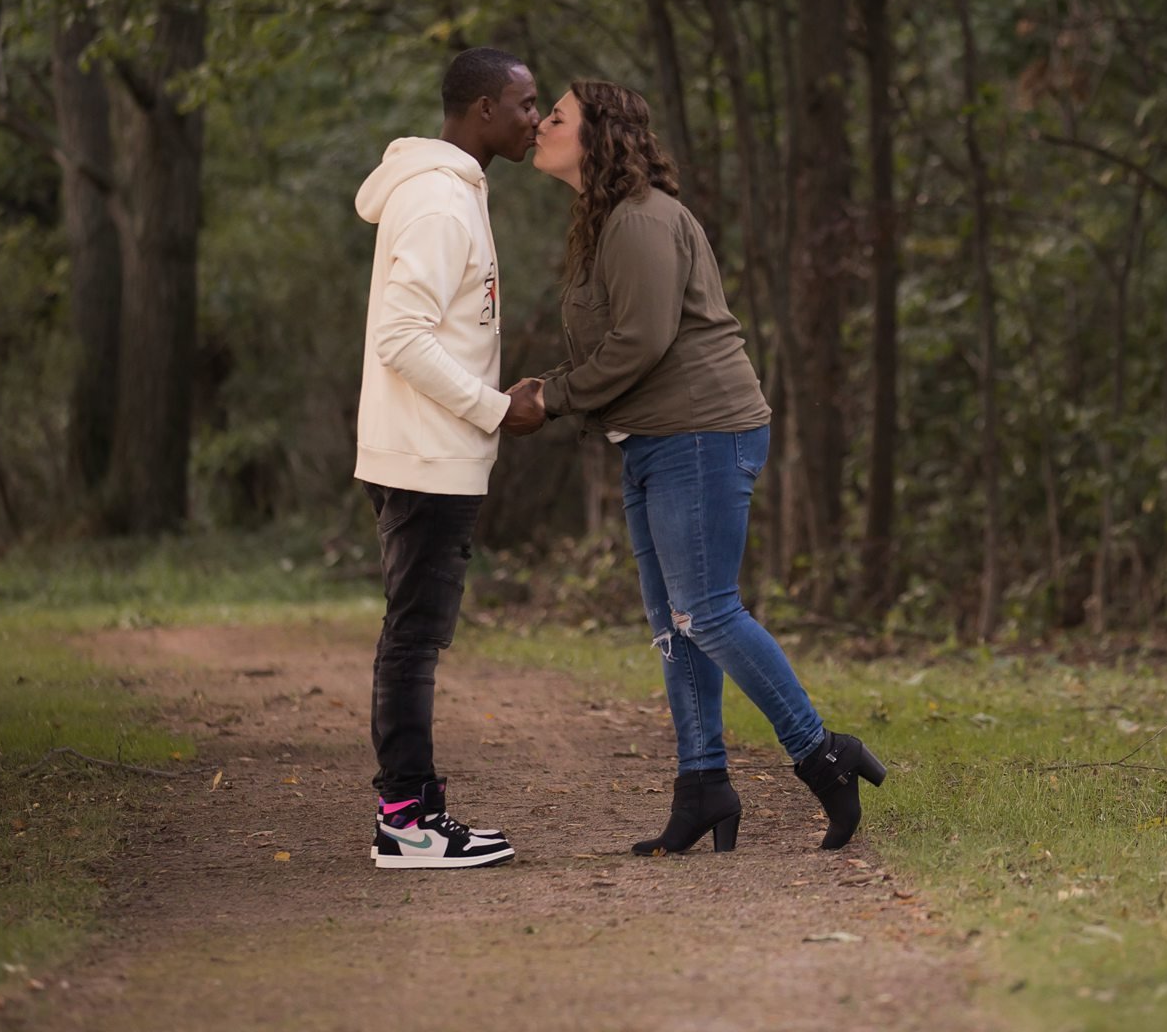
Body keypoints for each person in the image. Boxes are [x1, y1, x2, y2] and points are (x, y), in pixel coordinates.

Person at [515, 79, 884, 854]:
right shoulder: (606, 222)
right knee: (673, 626)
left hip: (700, 433)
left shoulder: (642, 220)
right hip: (655, 437)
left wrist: (552, 399)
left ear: (598, 135)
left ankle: (824, 755)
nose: (541, 125)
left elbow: (641, 342)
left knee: (707, 611)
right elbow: (615, 344)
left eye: (556, 116)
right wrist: (547, 389)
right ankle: (703, 784)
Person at [353, 47, 548, 869]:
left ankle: (418, 812)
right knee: (412, 640)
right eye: (526, 104)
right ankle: (405, 823)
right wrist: (496, 409)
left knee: (415, 636)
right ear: (481, 113)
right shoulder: (439, 203)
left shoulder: (454, 190)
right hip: (426, 456)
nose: (536, 118)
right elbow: (401, 338)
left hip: (433, 451)